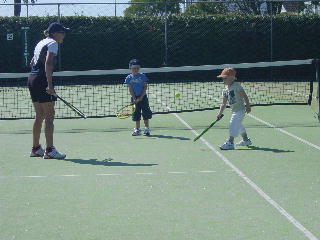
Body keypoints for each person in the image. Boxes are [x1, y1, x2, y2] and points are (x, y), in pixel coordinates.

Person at [28, 22, 70, 159]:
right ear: (55, 33)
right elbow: (48, 63)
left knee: (39, 115)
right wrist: (50, 85)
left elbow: (32, 61)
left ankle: (35, 149)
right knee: (49, 116)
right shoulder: (53, 43)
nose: (64, 35)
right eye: (62, 32)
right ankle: (50, 150)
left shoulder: (41, 42)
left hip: (32, 78)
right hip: (42, 80)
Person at [216, 68, 252, 150]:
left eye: (225, 78)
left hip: (240, 110)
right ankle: (246, 140)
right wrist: (220, 113)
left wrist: (248, 106)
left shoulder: (236, 86)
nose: (223, 79)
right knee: (238, 125)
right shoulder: (225, 90)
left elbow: (244, 96)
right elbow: (223, 103)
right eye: (222, 78)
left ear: (232, 78)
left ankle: (230, 142)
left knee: (233, 123)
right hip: (234, 110)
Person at [124, 59, 152, 136]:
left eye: (137, 68)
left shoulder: (143, 76)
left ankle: (147, 128)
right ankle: (137, 129)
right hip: (134, 98)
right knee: (136, 114)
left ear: (139, 68)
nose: (136, 69)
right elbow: (130, 88)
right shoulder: (128, 78)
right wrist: (134, 98)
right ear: (130, 68)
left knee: (145, 113)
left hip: (143, 98)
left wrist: (141, 97)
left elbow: (145, 87)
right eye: (134, 68)